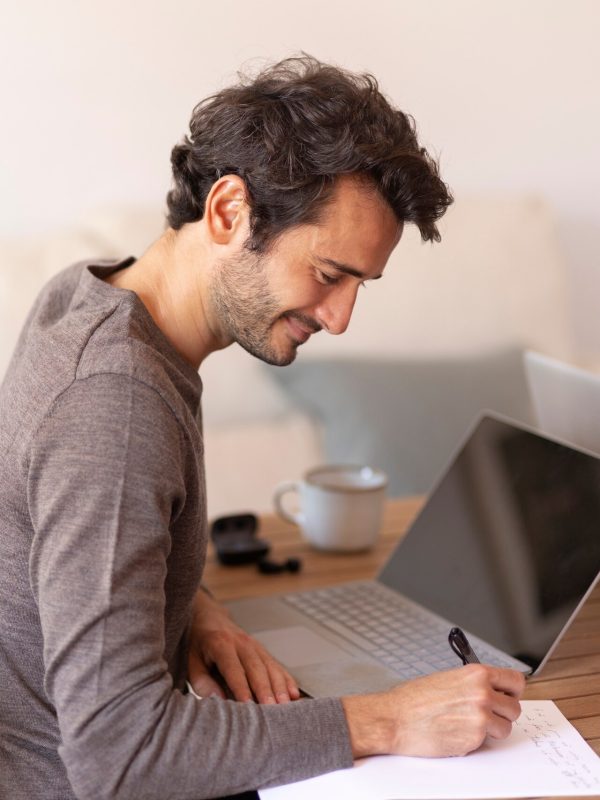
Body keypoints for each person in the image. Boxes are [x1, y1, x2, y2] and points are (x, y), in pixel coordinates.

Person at [0, 55, 525, 800]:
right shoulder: (116, 403)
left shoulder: (89, 294)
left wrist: (187, 610)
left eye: (360, 287)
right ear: (227, 212)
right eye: (329, 274)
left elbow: (71, 540)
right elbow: (117, 756)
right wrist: (386, 720)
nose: (340, 318)